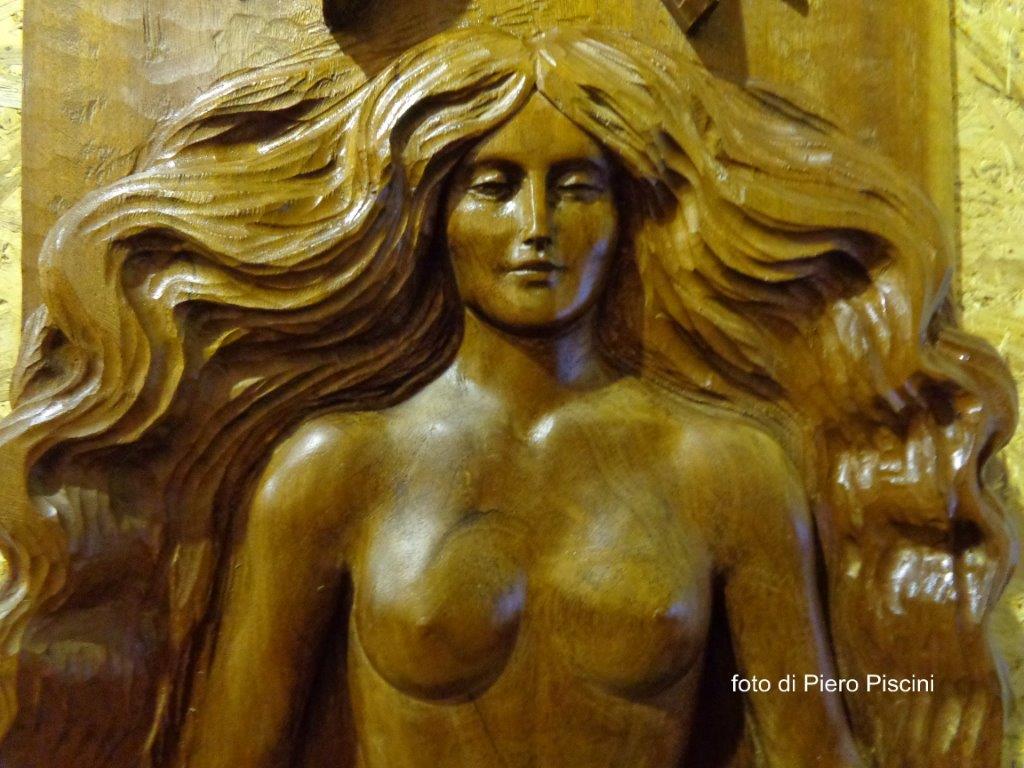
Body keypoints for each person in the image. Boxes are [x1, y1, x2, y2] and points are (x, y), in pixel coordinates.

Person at [0, 25, 1014, 768]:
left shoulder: (723, 470)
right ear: (434, 215)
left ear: (625, 217)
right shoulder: (336, 471)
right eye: (493, 187)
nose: (537, 224)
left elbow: (806, 747)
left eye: (577, 186)